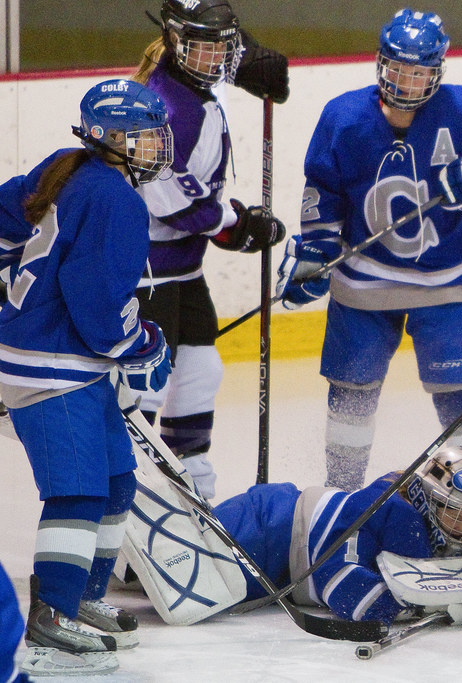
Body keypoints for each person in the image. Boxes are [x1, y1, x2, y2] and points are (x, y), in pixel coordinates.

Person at [275, 8, 462, 490]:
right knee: (351, 391)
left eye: (419, 71)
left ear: (437, 70)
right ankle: (342, 496)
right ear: (380, 63)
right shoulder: (344, 117)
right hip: (362, 283)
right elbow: (324, 190)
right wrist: (314, 253)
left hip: (449, 282)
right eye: (398, 68)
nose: (407, 81)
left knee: (460, 393)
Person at [0, 79, 175, 676]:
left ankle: (82, 598)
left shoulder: (70, 167)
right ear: (110, 137)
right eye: (146, 136)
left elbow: (4, 217)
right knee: (77, 491)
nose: (156, 146)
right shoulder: (116, 200)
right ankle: (52, 611)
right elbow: (98, 305)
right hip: (50, 366)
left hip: (69, 359)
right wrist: (143, 344)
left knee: (117, 480)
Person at [129, 0, 289, 499]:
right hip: (146, 274)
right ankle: (132, 508)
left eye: (223, 47)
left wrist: (254, 64)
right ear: (176, 43)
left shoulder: (189, 85)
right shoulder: (164, 106)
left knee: (199, 373)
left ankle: (192, 495)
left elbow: (225, 57)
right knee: (143, 393)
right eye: (202, 47)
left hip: (182, 272)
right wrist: (234, 223)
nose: (215, 59)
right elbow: (168, 196)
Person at [214, 447, 462, 635]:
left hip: (281, 575)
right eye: (458, 512)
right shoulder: (387, 507)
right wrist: (457, 604)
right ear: (428, 500)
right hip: (267, 527)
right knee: (175, 571)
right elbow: (339, 584)